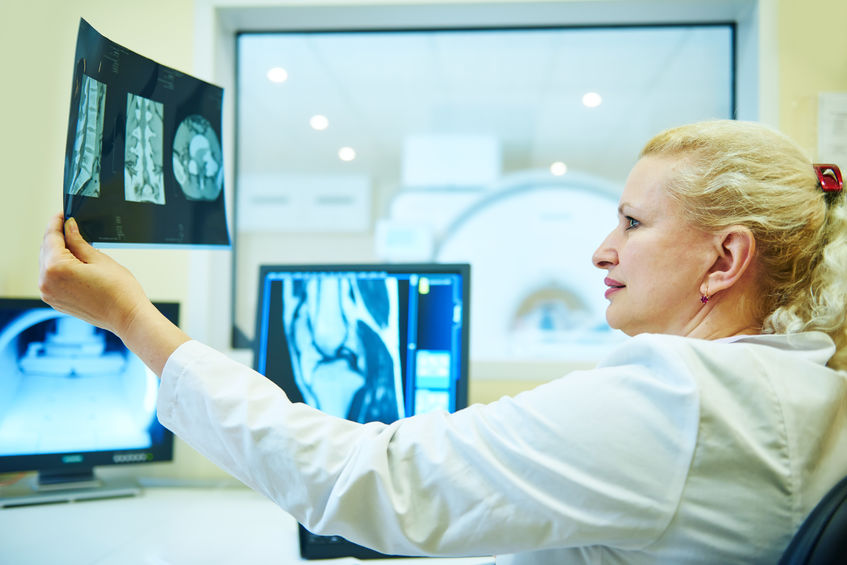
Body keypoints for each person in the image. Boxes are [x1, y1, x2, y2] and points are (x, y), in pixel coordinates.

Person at [39, 119, 847, 564]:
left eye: (631, 223)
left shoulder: (677, 401)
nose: (602, 249)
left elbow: (364, 479)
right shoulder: (797, 383)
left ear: (725, 258)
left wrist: (131, 320)